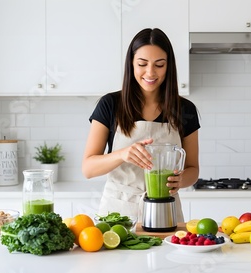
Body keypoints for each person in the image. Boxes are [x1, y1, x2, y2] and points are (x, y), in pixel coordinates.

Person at [82, 28, 200, 222]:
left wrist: (181, 180)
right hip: (117, 214)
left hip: (166, 214)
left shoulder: (185, 109)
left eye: (159, 65)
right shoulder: (110, 104)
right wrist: (122, 154)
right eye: (142, 64)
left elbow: (193, 169)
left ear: (169, 66)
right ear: (131, 64)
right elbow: (88, 168)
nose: (150, 72)